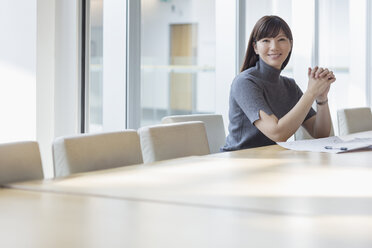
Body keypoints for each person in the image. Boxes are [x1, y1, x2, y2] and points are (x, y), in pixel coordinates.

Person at [222, 15, 336, 151]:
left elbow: (320, 134)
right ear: (255, 47)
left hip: (271, 160)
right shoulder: (245, 82)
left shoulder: (289, 86)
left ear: (290, 44)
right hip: (238, 161)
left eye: (281, 39)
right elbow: (277, 133)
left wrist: (321, 97)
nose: (274, 47)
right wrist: (310, 93)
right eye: (266, 40)